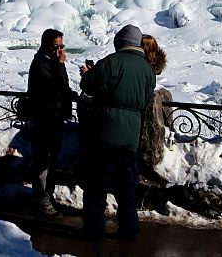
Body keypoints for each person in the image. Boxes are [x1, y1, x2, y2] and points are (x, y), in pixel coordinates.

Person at [78, 24, 156, 243]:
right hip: (130, 137)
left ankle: (94, 230)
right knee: (126, 187)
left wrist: (88, 74)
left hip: (104, 134)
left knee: (96, 186)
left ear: (120, 43)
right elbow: (145, 97)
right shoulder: (147, 71)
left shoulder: (112, 62)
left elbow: (90, 86)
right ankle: (128, 229)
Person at [26, 28, 77, 218]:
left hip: (54, 117)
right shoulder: (41, 63)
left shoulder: (50, 62)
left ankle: (47, 196)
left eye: (61, 46)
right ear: (46, 45)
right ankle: (41, 200)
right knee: (42, 160)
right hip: (44, 118)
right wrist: (61, 66)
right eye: (56, 46)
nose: (59, 50)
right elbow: (54, 86)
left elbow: (62, 86)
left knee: (50, 159)